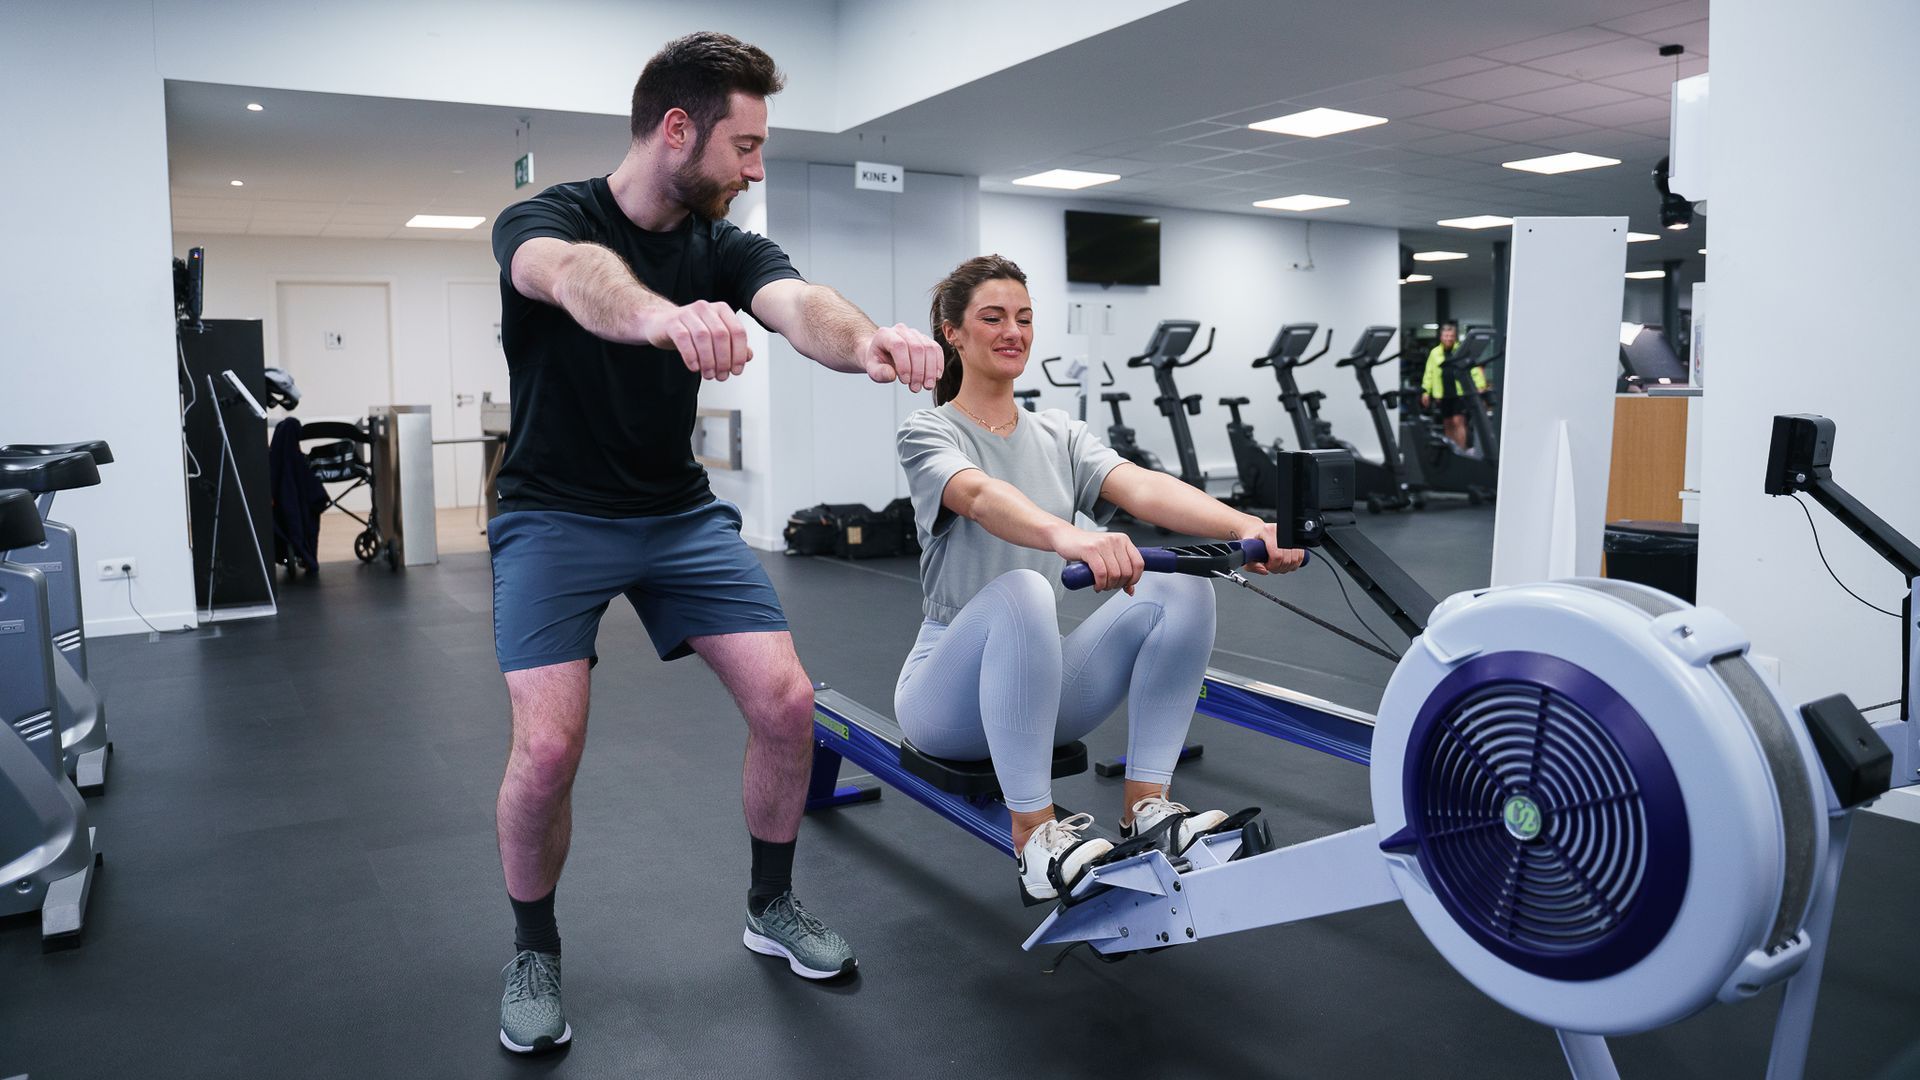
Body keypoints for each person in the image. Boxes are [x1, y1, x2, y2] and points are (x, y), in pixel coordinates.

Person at [486, 31, 941, 1054]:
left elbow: (799, 303)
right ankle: (533, 949)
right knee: (548, 746)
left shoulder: (722, 241)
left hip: (677, 514)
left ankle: (771, 904)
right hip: (552, 514)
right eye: (746, 145)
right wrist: (658, 319)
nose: (756, 167)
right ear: (678, 129)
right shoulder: (546, 216)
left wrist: (867, 342)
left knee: (788, 704)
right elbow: (568, 275)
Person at [894, 255, 1307, 904]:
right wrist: (1068, 535)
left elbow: (1141, 486)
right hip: (944, 699)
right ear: (953, 333)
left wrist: (1247, 526)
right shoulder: (929, 430)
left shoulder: (1058, 432)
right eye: (993, 318)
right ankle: (1034, 837)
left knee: (1184, 582)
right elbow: (976, 495)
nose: (1014, 332)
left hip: (1042, 685)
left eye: (1025, 319)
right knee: (1025, 590)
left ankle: (1148, 807)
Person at [1419, 321, 1486, 451]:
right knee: (1448, 423)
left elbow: (1472, 368)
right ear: (1441, 337)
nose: (1448, 338)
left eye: (1451, 336)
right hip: (1443, 393)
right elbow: (1429, 373)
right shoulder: (1435, 353)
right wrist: (1426, 391)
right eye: (1446, 335)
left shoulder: (1461, 350)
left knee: (1458, 421)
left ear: (1454, 337)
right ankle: (1452, 452)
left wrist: (1480, 385)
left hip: (1459, 393)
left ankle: (1462, 451)